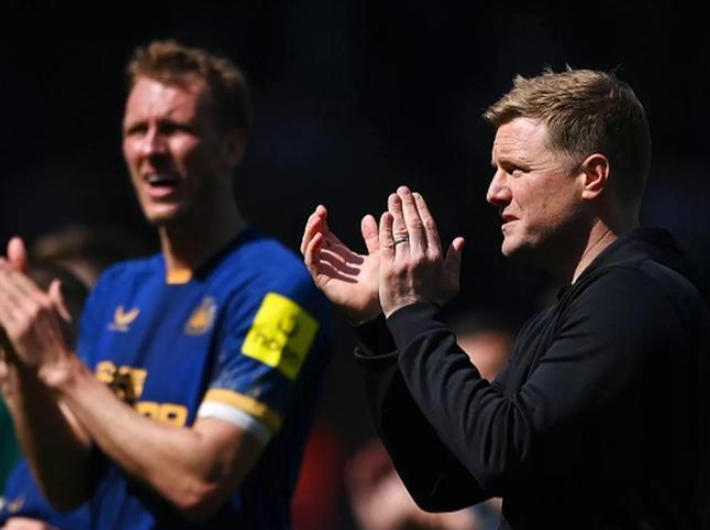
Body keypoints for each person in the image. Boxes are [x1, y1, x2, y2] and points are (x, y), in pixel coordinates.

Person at [301, 69, 710, 529]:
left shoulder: (635, 294)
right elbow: (443, 478)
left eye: (516, 170)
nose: (493, 192)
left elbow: (502, 453)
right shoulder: (568, 311)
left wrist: (412, 311)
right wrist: (379, 325)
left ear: (592, 176)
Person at [0, 39, 331, 529]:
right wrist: (23, 366)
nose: (151, 149)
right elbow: (67, 488)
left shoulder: (277, 289)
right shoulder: (117, 287)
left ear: (231, 146)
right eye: (137, 130)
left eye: (175, 129)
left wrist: (61, 368)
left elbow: (201, 481)